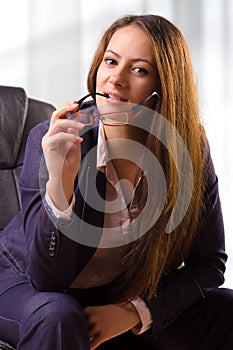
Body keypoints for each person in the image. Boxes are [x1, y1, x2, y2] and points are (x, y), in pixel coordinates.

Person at [0, 14, 233, 350]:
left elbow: (209, 263)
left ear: (165, 86)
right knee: (58, 314)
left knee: (224, 308)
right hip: (22, 280)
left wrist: (134, 312)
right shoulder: (53, 139)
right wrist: (61, 187)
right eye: (111, 61)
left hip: (112, 293)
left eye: (139, 69)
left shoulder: (188, 151)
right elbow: (46, 278)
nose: (116, 79)